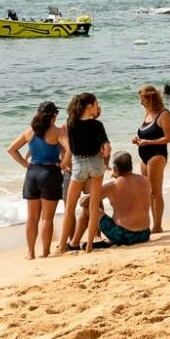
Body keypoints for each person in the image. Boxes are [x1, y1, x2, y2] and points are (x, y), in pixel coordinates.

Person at [7, 101, 66, 260]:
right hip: (50, 172)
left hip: (32, 173)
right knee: (47, 218)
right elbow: (71, 149)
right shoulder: (56, 131)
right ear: (53, 115)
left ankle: (30, 252)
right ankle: (45, 252)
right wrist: (64, 164)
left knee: (32, 218)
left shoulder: (30, 132)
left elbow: (11, 149)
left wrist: (26, 164)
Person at [61, 92, 110, 254]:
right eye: (96, 104)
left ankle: (62, 245)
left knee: (70, 207)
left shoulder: (71, 123)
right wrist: (105, 156)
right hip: (95, 163)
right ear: (89, 106)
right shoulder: (97, 125)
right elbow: (106, 149)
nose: (97, 107)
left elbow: (72, 148)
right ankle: (89, 245)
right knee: (94, 205)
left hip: (79, 164)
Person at [132, 83, 170, 233]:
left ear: (150, 98)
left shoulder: (164, 114)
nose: (140, 102)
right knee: (148, 192)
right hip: (144, 156)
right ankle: (151, 224)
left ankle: (157, 226)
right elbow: (146, 133)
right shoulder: (148, 113)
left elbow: (169, 138)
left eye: (142, 99)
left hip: (157, 155)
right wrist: (137, 139)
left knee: (156, 192)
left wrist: (148, 142)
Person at [98, 153, 151, 244]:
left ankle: (75, 242)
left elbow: (85, 202)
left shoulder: (112, 185)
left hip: (123, 235)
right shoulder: (146, 180)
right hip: (144, 234)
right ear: (131, 166)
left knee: (88, 209)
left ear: (115, 169)